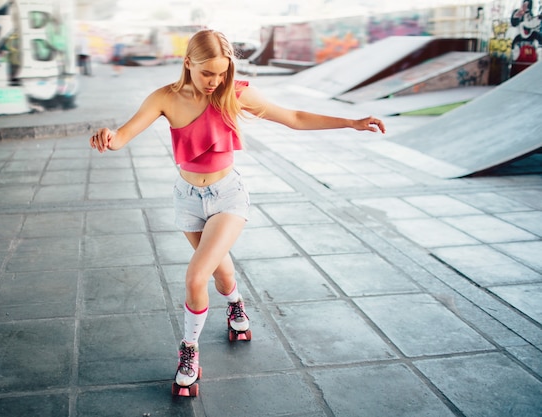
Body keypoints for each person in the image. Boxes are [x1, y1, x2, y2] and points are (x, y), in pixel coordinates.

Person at [89, 29, 385, 393]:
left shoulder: (235, 93)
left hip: (227, 195)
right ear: (188, 64)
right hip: (187, 198)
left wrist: (351, 122)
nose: (214, 81)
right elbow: (121, 137)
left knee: (196, 276)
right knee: (220, 277)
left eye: (221, 72)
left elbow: (293, 116)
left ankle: (189, 353)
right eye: (206, 73)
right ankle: (236, 304)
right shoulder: (165, 98)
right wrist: (107, 136)